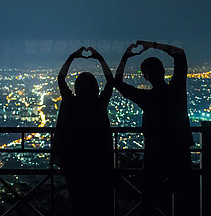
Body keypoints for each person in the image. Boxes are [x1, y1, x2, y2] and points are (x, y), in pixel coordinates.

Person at [114, 41, 194, 216]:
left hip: (155, 153)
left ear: (145, 76)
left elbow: (117, 83)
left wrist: (126, 56)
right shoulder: (176, 89)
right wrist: (152, 45)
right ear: (164, 71)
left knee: (149, 200)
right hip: (179, 151)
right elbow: (180, 54)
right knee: (183, 200)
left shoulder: (146, 98)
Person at [53, 46, 114, 215]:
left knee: (78, 203)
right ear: (95, 88)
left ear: (77, 87)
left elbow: (60, 78)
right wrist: (99, 57)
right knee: (99, 204)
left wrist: (73, 56)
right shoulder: (99, 105)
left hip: (74, 163)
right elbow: (110, 81)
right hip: (99, 162)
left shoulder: (71, 103)